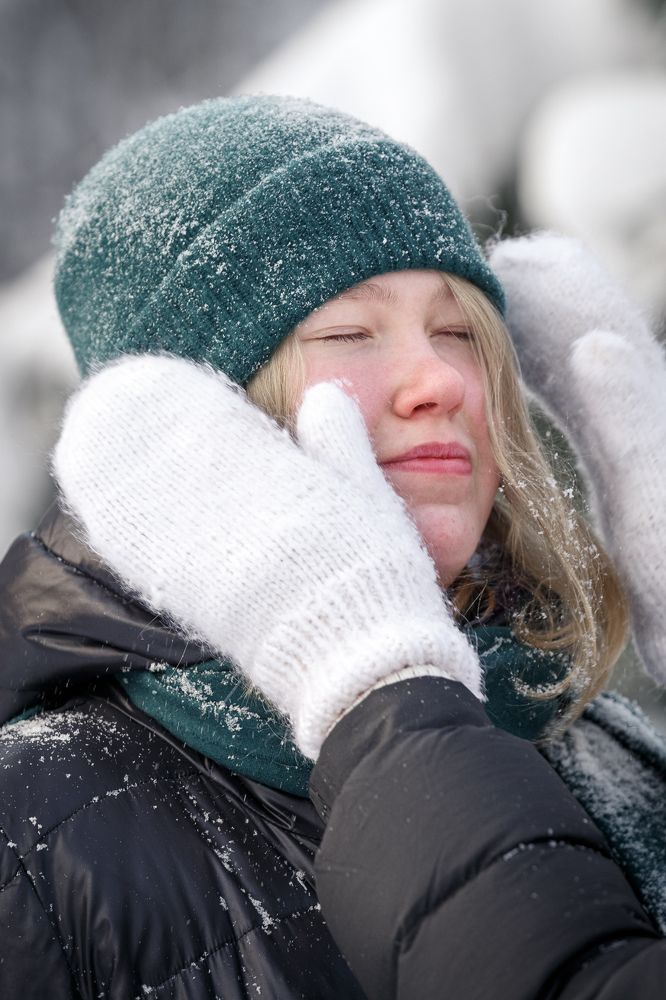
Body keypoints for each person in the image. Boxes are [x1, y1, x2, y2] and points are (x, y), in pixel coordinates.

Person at [1, 95, 665, 999]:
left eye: (460, 330)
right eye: (349, 332)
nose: (438, 380)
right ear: (193, 418)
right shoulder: (35, 826)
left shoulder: (590, 735)